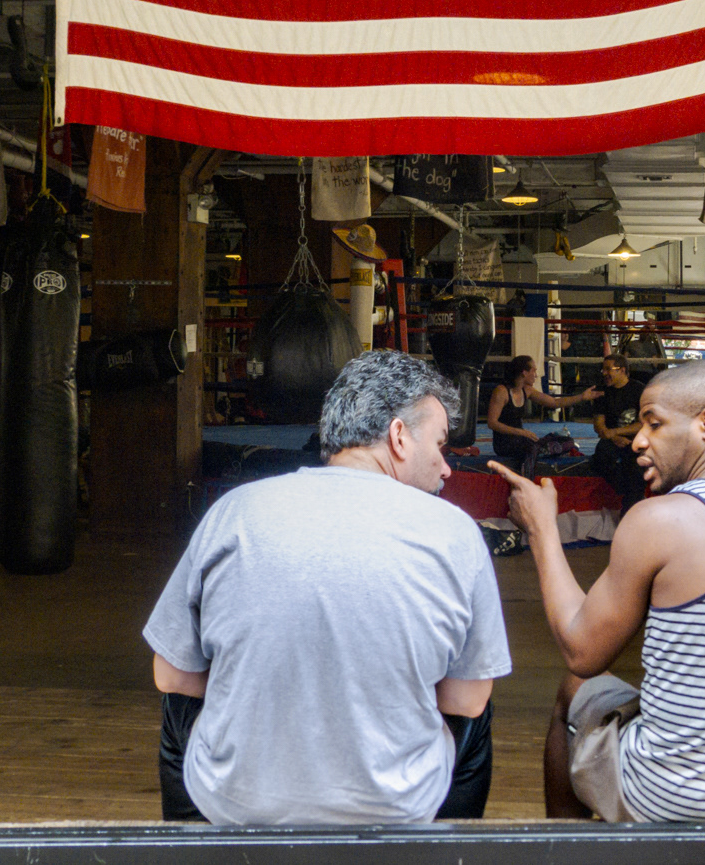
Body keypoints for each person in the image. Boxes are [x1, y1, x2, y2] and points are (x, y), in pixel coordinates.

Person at [144, 350, 512, 825]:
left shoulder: (233, 512)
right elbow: (465, 702)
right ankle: (440, 849)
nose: (446, 469)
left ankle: (196, 845)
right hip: (394, 809)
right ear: (399, 437)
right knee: (477, 705)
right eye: (440, 446)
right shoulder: (455, 532)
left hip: (235, 806)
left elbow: (172, 678)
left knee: (179, 698)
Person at [488, 359, 705, 822]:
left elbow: (582, 651)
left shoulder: (661, 518)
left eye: (653, 423)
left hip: (674, 796)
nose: (638, 439)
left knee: (576, 687)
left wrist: (541, 530)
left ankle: (567, 854)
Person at [487, 355, 601, 478]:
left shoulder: (527, 390)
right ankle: (527, 479)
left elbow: (554, 402)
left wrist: (581, 397)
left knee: (568, 442)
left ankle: (542, 450)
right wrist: (521, 432)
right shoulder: (501, 391)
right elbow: (492, 423)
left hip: (522, 439)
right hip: (505, 443)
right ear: (524, 373)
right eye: (534, 371)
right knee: (532, 447)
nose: (536, 375)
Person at [591, 353, 645, 514]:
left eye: (609, 369)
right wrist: (614, 437)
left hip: (634, 439)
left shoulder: (639, 390)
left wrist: (616, 432)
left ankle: (629, 511)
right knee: (601, 457)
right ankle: (625, 491)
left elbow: (644, 424)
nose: (605, 373)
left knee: (637, 466)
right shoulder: (602, 392)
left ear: (622, 370)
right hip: (611, 439)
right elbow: (598, 425)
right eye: (603, 370)